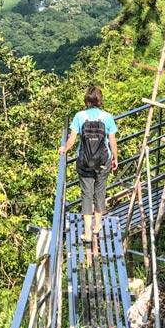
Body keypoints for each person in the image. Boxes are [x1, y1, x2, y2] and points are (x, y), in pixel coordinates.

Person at [58, 85, 118, 243]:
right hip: (103, 161)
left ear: (86, 100)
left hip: (84, 161)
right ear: (100, 100)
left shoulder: (80, 116)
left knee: (86, 194)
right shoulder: (107, 117)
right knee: (100, 191)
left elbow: (71, 139)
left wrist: (64, 149)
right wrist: (115, 158)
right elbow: (112, 141)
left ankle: (87, 232)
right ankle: (97, 225)